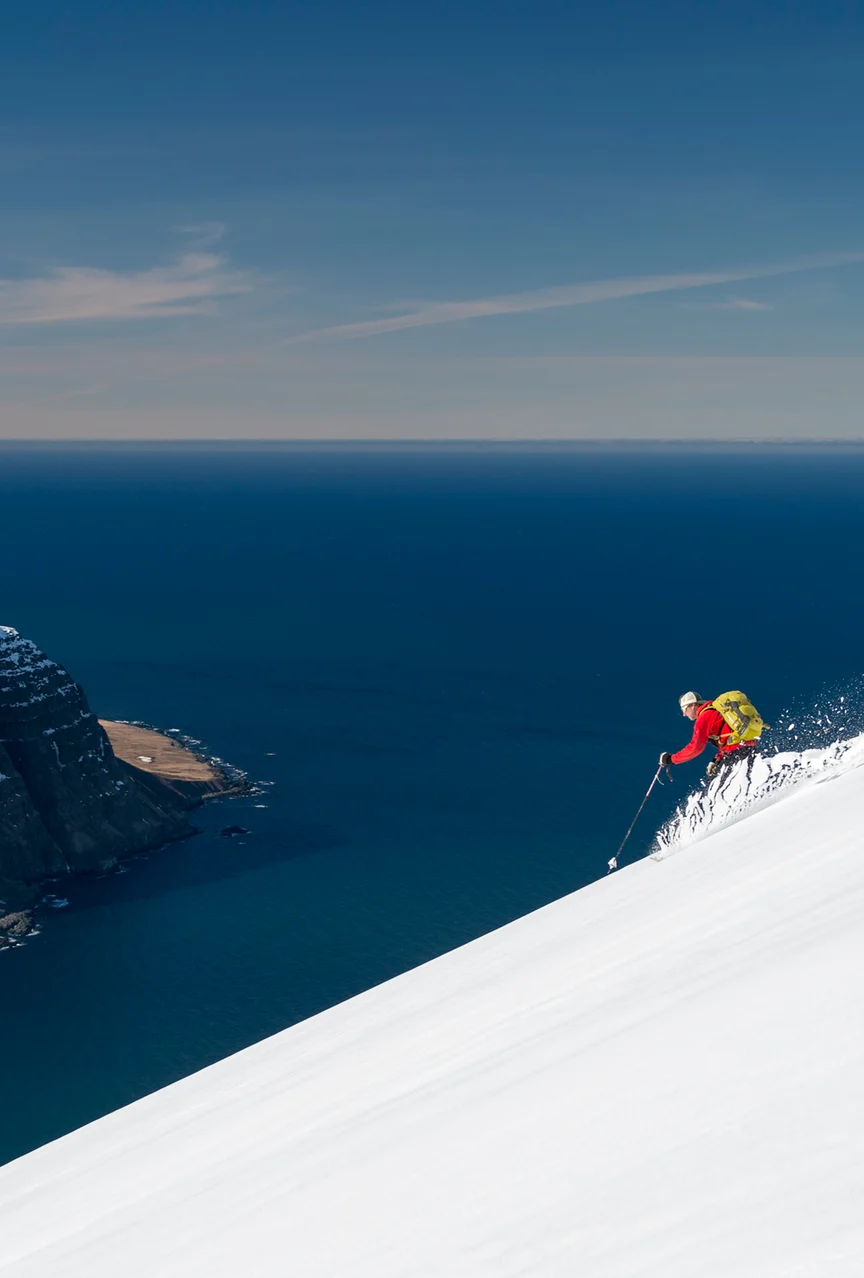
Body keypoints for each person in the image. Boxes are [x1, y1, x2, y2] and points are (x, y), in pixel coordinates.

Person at [659, 691, 758, 779]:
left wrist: (671, 759)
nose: (684, 714)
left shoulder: (703, 718)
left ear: (693, 705)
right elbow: (728, 735)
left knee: (722, 790)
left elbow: (695, 748)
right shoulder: (716, 710)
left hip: (735, 753)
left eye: (684, 709)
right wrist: (718, 758)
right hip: (748, 748)